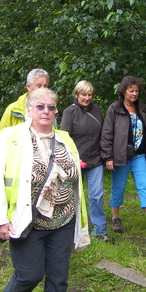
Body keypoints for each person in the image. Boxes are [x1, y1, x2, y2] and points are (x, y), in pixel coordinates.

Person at [0, 88, 90, 292]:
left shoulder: (65, 139)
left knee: (58, 278)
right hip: (28, 222)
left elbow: (75, 180)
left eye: (51, 107)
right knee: (29, 275)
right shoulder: (11, 137)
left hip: (63, 222)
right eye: (40, 107)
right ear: (29, 110)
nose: (46, 111)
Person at [100, 76, 146, 237]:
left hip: (138, 155)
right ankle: (115, 218)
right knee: (118, 188)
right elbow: (106, 134)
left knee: (144, 186)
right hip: (120, 156)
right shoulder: (114, 109)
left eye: (137, 91)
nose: (134, 94)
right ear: (123, 91)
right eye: (131, 91)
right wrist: (108, 157)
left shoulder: (140, 108)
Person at [60, 80, 112, 242]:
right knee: (73, 196)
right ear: (76, 95)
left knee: (96, 195)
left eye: (89, 95)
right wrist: (71, 159)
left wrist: (106, 155)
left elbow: (104, 133)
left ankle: (100, 228)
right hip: (75, 161)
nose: (87, 98)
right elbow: (63, 138)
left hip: (95, 159)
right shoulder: (70, 112)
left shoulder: (96, 110)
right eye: (83, 94)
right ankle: (70, 228)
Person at [0, 69, 50, 136]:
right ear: (28, 87)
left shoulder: (51, 109)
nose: (43, 89)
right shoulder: (13, 109)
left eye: (45, 86)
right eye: (39, 86)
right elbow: (1, 137)